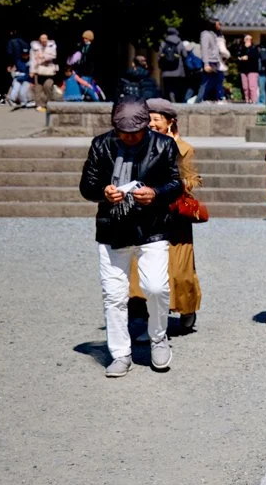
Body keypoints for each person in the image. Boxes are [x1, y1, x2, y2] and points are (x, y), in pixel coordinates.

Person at [79, 100, 182, 377]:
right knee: (113, 295)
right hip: (113, 227)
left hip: (152, 226)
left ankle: (158, 338)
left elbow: (176, 183)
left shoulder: (163, 144)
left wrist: (156, 193)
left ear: (146, 125)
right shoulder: (101, 145)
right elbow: (86, 186)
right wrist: (104, 191)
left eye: (136, 131)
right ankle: (120, 353)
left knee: (156, 287)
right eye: (123, 131)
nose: (130, 136)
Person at [131, 100, 203, 336]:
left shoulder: (184, 148)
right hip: (146, 215)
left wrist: (174, 184)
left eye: (156, 119)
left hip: (174, 218)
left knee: (180, 271)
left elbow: (194, 179)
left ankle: (187, 308)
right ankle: (153, 323)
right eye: (148, 119)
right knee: (148, 272)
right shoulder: (138, 146)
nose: (151, 124)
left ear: (170, 122)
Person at [198, 21, 230, 102]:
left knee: (215, 81)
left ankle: (212, 99)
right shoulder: (205, 35)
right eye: (217, 24)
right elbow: (204, 50)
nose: (219, 26)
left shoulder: (214, 34)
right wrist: (206, 64)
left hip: (215, 61)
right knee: (206, 82)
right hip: (209, 61)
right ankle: (201, 99)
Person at [29, 33, 59, 111]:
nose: (44, 40)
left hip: (49, 69)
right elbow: (32, 60)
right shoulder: (34, 47)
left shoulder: (51, 45)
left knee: (48, 86)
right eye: (42, 38)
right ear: (39, 39)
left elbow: (54, 55)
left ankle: (49, 103)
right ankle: (40, 105)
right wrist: (31, 71)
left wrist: (44, 57)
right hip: (38, 69)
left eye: (45, 38)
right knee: (38, 88)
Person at [157, 27, 186, 103]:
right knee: (176, 86)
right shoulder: (180, 42)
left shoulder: (163, 43)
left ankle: (171, 99)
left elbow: (159, 56)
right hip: (178, 70)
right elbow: (185, 55)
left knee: (168, 87)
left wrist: (161, 66)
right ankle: (176, 100)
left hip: (166, 70)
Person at [235, 34, 262, 104]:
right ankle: (247, 100)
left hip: (252, 70)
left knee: (252, 86)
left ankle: (254, 100)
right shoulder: (241, 48)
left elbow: (255, 56)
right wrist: (241, 57)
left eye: (249, 39)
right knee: (245, 87)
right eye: (246, 39)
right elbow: (238, 56)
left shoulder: (255, 48)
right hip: (243, 70)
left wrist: (248, 56)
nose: (247, 40)